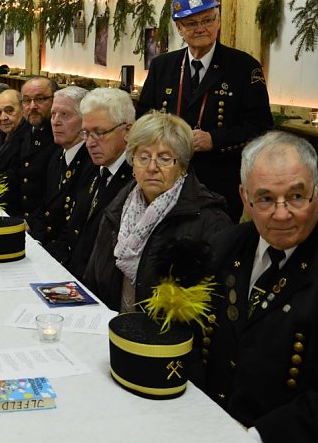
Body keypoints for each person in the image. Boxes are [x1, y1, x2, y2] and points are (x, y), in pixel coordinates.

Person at [202, 131, 318, 442]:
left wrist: (254, 437)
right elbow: (196, 340)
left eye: (296, 196)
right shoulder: (223, 248)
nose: (281, 213)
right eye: (265, 199)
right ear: (244, 198)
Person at [137, 0, 272, 222]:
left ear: (218, 21)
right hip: (166, 176)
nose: (202, 28)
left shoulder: (243, 67)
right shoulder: (163, 66)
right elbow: (143, 116)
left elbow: (260, 125)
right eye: (192, 23)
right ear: (179, 27)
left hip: (218, 179)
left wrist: (214, 139)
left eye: (208, 20)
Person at [83, 111, 231, 311]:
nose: (152, 167)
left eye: (164, 158)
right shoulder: (118, 206)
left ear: (183, 166)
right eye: (143, 157)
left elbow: (211, 306)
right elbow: (92, 278)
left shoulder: (209, 220)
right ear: (132, 163)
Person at [60, 88, 135, 277]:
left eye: (99, 132)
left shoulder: (135, 180)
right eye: (85, 133)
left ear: (127, 130)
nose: (89, 143)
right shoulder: (92, 167)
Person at [27, 87, 97, 260]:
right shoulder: (57, 155)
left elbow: (72, 225)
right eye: (53, 114)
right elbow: (45, 207)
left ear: (85, 120)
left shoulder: (91, 162)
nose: (55, 122)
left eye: (65, 115)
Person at [13, 76, 59, 220]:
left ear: (54, 100)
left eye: (40, 99)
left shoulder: (59, 137)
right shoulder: (25, 131)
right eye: (26, 100)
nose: (32, 106)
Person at [0, 89, 29, 216]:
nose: (3, 117)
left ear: (23, 109)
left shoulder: (28, 138)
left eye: (9, 111)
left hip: (13, 211)